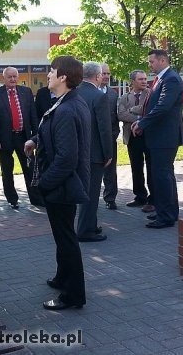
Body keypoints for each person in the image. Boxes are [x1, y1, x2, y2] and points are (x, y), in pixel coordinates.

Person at [24, 55, 90, 311]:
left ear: (63, 77)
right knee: (63, 235)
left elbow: (66, 158)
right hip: (63, 184)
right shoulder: (67, 102)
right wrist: (35, 140)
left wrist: (43, 183)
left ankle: (73, 295)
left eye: (52, 71)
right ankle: (63, 277)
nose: (48, 75)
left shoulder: (67, 109)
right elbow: (54, 135)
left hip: (62, 186)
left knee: (66, 239)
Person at [132, 49, 183, 229]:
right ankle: (168, 211)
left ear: (162, 60)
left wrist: (142, 123)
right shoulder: (161, 79)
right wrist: (141, 120)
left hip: (165, 137)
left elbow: (163, 107)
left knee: (162, 176)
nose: (149, 65)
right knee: (164, 176)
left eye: (152, 62)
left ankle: (166, 216)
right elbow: (153, 106)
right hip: (160, 136)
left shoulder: (170, 79)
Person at [0, 67, 38, 209]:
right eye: (9, 77)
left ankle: (36, 198)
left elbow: (33, 116)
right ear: (4, 78)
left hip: (24, 137)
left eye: (15, 76)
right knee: (7, 170)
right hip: (5, 139)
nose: (13, 79)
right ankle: (12, 199)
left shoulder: (26, 92)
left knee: (30, 168)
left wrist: (35, 137)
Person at [75, 62, 113, 242]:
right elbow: (104, 128)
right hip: (94, 153)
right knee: (91, 193)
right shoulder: (99, 96)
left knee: (86, 190)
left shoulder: (73, 93)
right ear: (97, 76)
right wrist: (108, 154)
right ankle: (85, 231)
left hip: (76, 150)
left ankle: (91, 224)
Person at [117, 69, 154, 212]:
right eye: (141, 79)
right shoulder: (124, 97)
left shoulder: (150, 94)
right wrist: (139, 117)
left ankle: (153, 198)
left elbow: (148, 111)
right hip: (132, 137)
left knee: (151, 167)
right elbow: (121, 115)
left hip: (148, 136)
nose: (144, 81)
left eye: (145, 79)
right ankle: (140, 196)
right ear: (132, 81)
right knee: (136, 167)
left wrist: (133, 111)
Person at [100, 63, 120, 209]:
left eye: (108, 73)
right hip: (92, 139)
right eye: (104, 73)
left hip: (110, 138)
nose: (107, 76)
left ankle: (110, 198)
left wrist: (114, 134)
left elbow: (115, 117)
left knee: (111, 170)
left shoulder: (113, 94)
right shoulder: (86, 92)